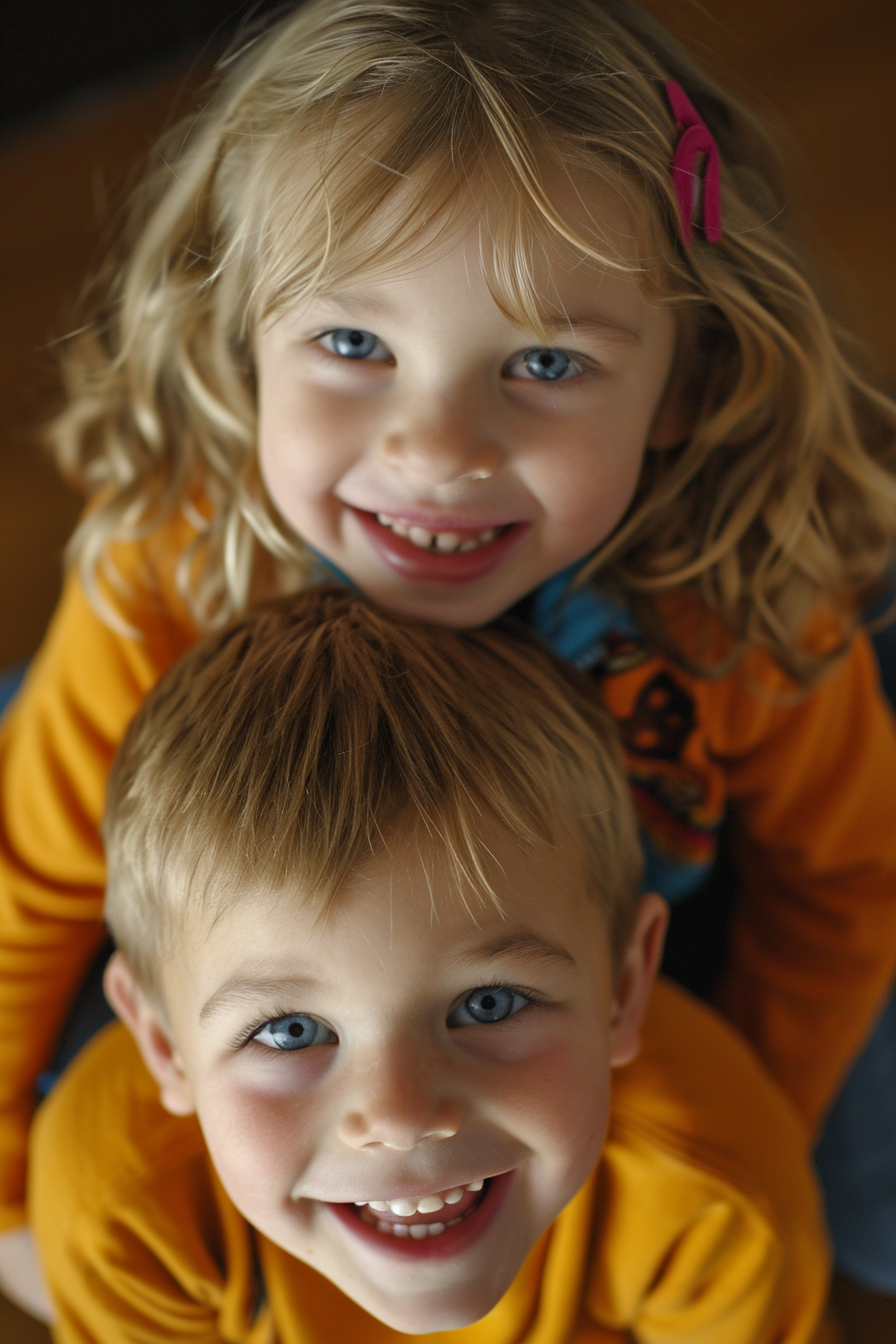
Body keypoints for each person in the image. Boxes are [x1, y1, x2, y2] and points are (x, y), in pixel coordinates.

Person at [1, 0, 896, 1319]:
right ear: (243, 342)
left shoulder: (748, 609)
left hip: (587, 958)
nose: (436, 450)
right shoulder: (171, 570)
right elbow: (33, 878)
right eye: (354, 345)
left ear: (690, 378)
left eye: (542, 362)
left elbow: (841, 887)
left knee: (867, 1211)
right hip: (286, 924)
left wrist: (734, 1120)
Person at [28, 586, 829, 1342]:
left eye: (487, 1004)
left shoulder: (723, 1198)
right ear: (164, 1046)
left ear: (625, 985)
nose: (402, 1114)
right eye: (291, 1030)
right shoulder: (117, 1205)